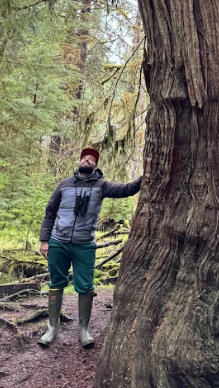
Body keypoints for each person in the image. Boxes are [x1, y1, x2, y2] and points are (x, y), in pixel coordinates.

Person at [38, 147, 142, 348]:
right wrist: (44, 240)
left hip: (84, 245)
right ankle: (52, 328)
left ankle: (83, 330)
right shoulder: (64, 185)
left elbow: (127, 189)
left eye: (91, 159)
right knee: (56, 281)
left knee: (85, 286)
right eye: (84, 158)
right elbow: (50, 212)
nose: (87, 160)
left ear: (95, 165)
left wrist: (144, 177)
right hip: (58, 241)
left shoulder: (101, 185)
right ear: (79, 162)